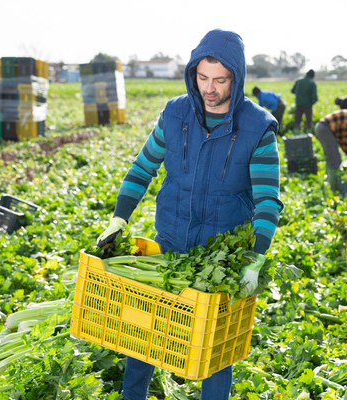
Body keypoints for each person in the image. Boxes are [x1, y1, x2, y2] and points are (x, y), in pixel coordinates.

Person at [96, 29, 284, 400]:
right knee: (145, 331)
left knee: (214, 349)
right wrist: (120, 218)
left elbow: (267, 201)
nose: (209, 88)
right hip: (169, 239)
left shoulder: (257, 128)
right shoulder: (175, 113)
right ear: (192, 72)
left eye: (220, 79)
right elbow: (142, 169)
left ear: (237, 78)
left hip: (222, 254)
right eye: (202, 78)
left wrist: (255, 258)